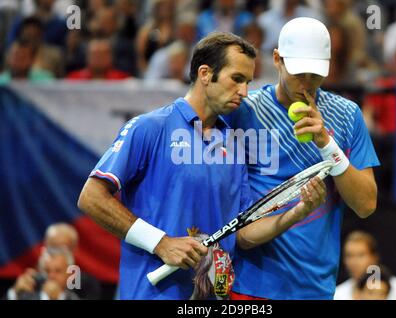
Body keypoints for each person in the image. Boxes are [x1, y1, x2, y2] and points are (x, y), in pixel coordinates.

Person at [77, 31, 327, 300]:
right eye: (237, 79)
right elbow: (91, 197)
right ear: (205, 73)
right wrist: (160, 243)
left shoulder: (233, 145)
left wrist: (298, 212)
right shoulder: (150, 128)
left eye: (248, 82)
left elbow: (241, 233)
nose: (244, 92)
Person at [225, 17, 379, 300]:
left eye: (315, 74)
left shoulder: (347, 115)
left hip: (315, 289)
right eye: (299, 73)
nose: (307, 83)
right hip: (249, 286)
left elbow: (366, 204)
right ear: (277, 59)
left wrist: (326, 143)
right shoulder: (244, 111)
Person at [334, 231, 396, 300]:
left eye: (361, 255)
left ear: (374, 257)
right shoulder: (337, 293)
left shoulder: (395, 286)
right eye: (349, 255)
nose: (354, 262)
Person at [44, 223, 102, 300]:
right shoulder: (35, 281)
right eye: (53, 247)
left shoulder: (86, 285)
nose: (57, 253)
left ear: (74, 250)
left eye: (62, 248)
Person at [6, 247, 80, 300]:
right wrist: (14, 292)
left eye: (58, 271)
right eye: (47, 271)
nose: (51, 276)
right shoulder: (25, 296)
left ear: (69, 274)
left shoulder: (75, 297)